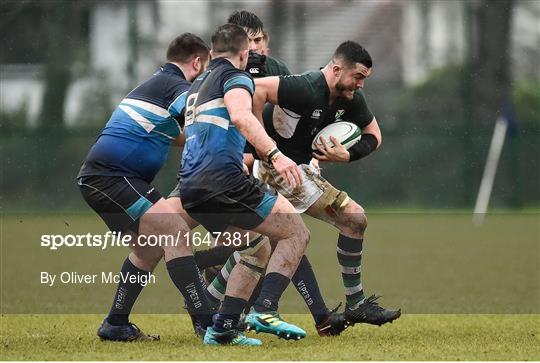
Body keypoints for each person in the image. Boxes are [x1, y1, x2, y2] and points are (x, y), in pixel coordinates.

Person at [196, 10, 350, 337]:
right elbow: (239, 118)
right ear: (238, 47)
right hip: (235, 172)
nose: (255, 48)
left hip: (243, 171)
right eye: (248, 42)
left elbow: (298, 120)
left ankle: (223, 316)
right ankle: (249, 309)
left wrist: (306, 156)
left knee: (268, 239)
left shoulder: (272, 71)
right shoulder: (233, 76)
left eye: (259, 40)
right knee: (280, 236)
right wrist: (265, 155)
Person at [251, 40, 402, 328]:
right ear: (335, 69)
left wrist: (348, 154)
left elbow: (374, 134)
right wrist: (263, 146)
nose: (361, 85)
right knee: (352, 218)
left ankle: (219, 309)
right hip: (278, 171)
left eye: (364, 79)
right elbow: (258, 90)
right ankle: (353, 305)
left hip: (300, 171)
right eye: (357, 77)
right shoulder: (306, 86)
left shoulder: (350, 98)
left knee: (271, 244)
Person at [77, 33, 215, 341]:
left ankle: (115, 324)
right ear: (196, 62)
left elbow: (180, 134)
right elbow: (198, 121)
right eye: (205, 68)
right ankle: (207, 323)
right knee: (177, 231)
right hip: (112, 177)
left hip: (111, 178)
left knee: (149, 248)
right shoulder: (176, 86)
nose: (204, 76)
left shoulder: (161, 83)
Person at [178, 23, 310, 345]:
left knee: (255, 245)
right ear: (244, 54)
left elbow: (187, 132)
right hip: (225, 184)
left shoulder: (197, 87)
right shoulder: (236, 77)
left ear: (211, 54)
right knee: (296, 232)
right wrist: (275, 155)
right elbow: (240, 115)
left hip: (191, 189)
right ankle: (264, 309)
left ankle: (222, 327)